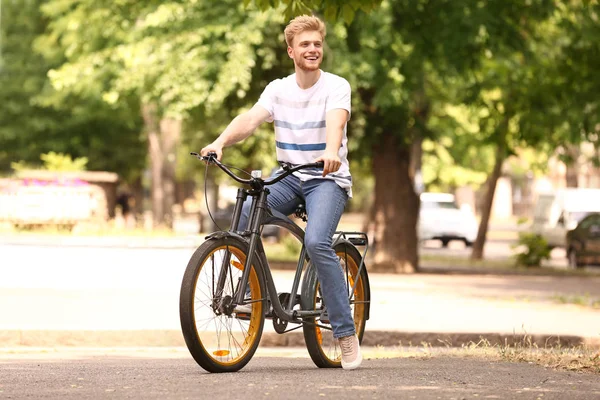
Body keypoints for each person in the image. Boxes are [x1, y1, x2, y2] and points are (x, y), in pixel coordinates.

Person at [200, 15, 361, 370]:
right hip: (288, 176)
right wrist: (220, 142)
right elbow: (251, 119)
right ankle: (252, 294)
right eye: (305, 44)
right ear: (291, 51)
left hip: (325, 177)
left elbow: (337, 120)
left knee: (317, 242)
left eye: (317, 44)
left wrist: (332, 150)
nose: (312, 49)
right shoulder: (278, 89)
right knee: (242, 221)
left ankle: (345, 332)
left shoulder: (336, 86)